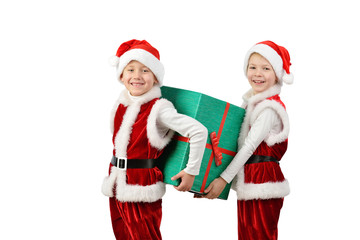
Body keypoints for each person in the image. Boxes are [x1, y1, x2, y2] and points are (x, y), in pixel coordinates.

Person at [101, 39, 208, 240]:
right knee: (122, 234)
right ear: (122, 75)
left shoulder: (159, 109)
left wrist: (192, 171)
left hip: (141, 185)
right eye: (130, 70)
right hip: (117, 180)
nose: (137, 76)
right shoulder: (122, 104)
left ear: (156, 77)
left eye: (145, 70)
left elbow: (198, 131)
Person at [203, 41, 293, 240]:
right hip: (249, 178)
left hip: (263, 181)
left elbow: (249, 146)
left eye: (265, 68)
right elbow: (230, 143)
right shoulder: (249, 104)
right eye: (252, 67)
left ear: (277, 73)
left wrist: (223, 180)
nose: (257, 73)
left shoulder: (269, 108)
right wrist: (207, 177)